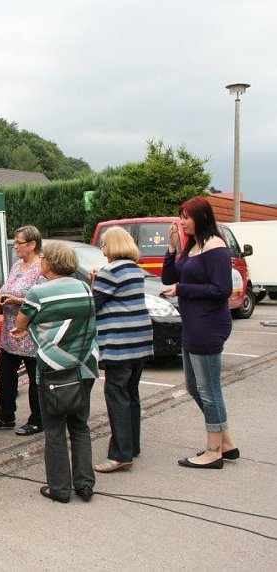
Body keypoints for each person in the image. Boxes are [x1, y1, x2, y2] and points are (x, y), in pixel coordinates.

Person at [13, 241, 98, 503]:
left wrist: (25, 328)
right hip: (84, 366)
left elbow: (21, 323)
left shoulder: (38, 293)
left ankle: (59, 488)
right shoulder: (84, 287)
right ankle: (84, 484)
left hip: (53, 367)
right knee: (80, 426)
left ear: (49, 263)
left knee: (54, 428)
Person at [161, 196, 238, 469]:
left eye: (186, 217)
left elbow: (221, 290)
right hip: (192, 324)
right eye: (181, 216)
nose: (182, 222)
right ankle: (226, 442)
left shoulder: (216, 248)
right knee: (195, 387)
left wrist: (183, 290)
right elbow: (169, 278)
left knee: (210, 390)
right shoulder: (192, 246)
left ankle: (213, 451)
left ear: (201, 217)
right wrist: (171, 249)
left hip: (208, 325)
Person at [91, 227, 153, 473]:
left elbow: (94, 304)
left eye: (104, 245)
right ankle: (132, 445)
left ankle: (120, 454)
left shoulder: (110, 270)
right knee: (131, 394)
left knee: (116, 396)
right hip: (140, 338)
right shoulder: (135, 269)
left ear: (112, 245)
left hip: (119, 342)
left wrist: (93, 283)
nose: (102, 249)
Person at [0, 225, 45, 436]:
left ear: (32, 244)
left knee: (35, 380)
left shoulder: (42, 268)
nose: (15, 246)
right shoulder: (16, 266)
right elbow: (5, 288)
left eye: (19, 243)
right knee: (6, 376)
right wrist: (0, 297)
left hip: (31, 334)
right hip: (10, 334)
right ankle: (6, 416)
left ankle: (37, 419)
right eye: (15, 242)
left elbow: (43, 298)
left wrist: (18, 300)